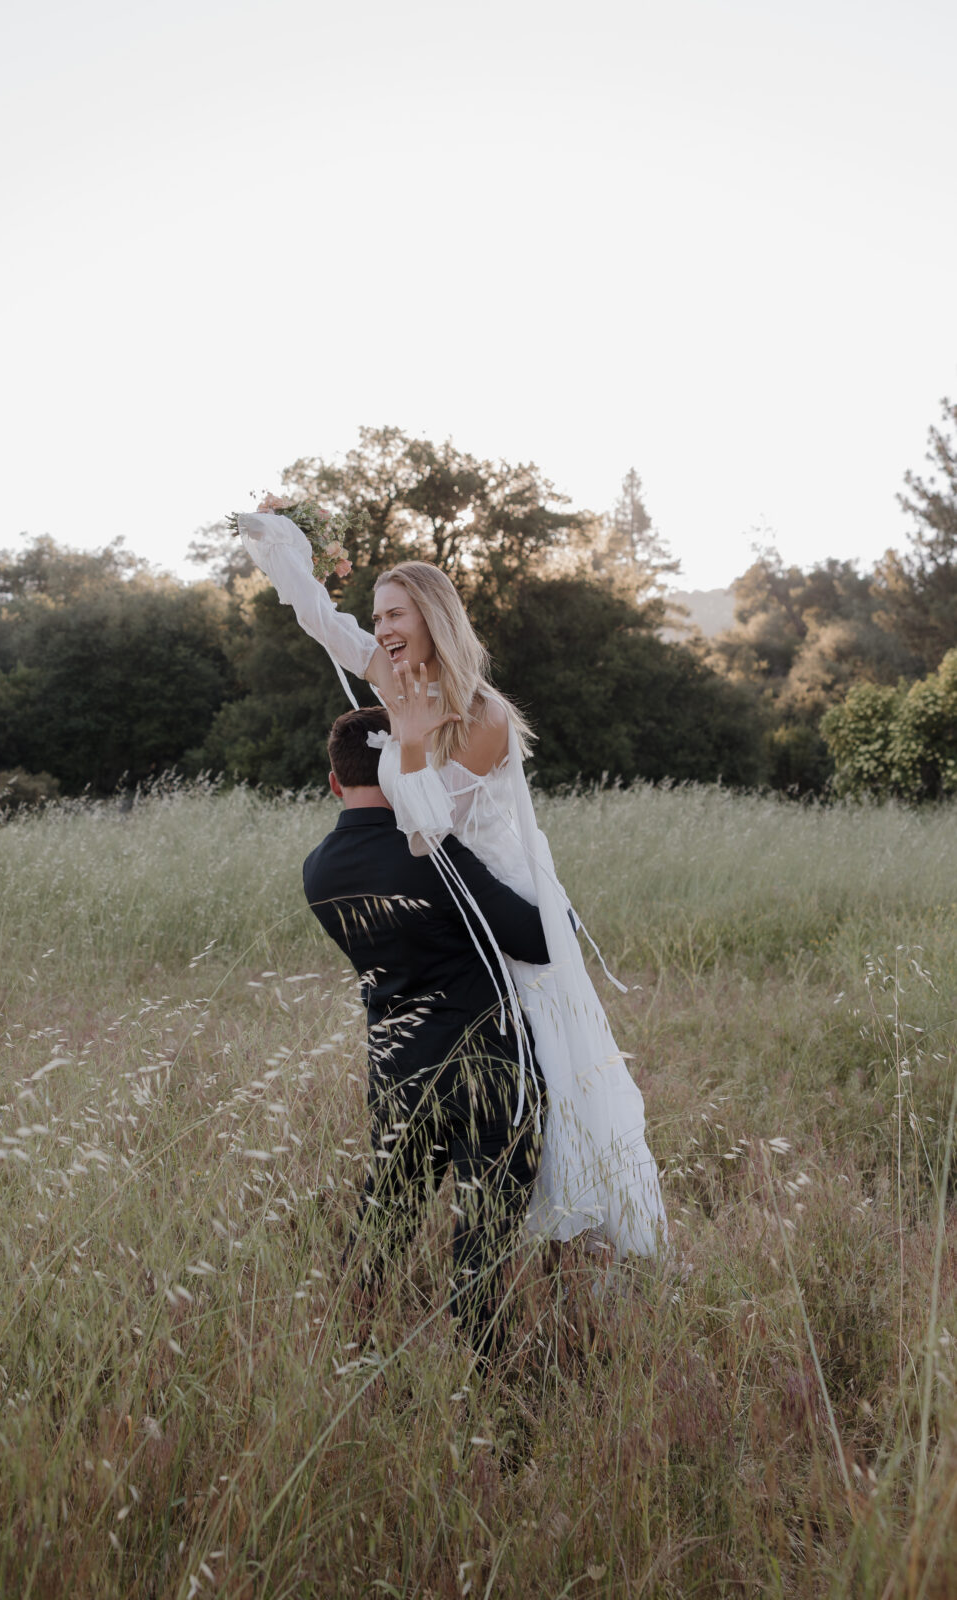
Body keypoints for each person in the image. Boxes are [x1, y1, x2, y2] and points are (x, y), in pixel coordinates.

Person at [235, 508, 667, 1260]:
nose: (381, 628)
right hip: (449, 899)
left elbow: (427, 830)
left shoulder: (480, 713)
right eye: (378, 616)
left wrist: (405, 745)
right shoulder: (397, 678)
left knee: (554, 1076)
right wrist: (286, 560)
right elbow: (326, 630)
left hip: (505, 906)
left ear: (432, 616)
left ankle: (594, 1244)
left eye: (395, 614)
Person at [304, 704, 550, 1361]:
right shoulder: (430, 851)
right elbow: (536, 937)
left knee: (380, 1229)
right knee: (481, 1247)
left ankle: (352, 1360)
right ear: (403, 767)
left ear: (334, 782)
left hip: (397, 1071)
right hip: (488, 1069)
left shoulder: (318, 869)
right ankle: (484, 1388)